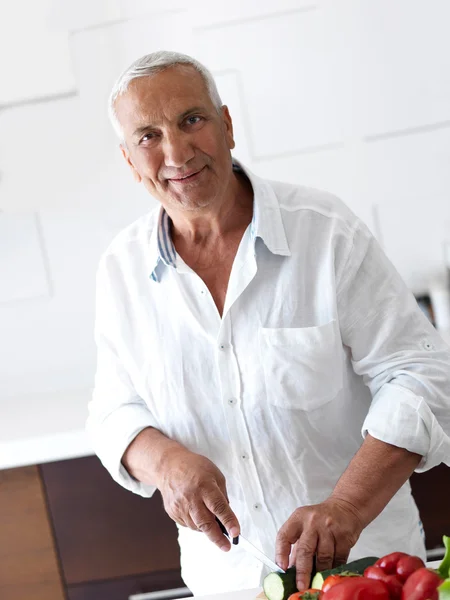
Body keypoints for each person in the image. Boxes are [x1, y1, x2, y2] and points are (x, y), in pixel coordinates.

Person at [87, 50, 450, 596]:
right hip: (227, 582)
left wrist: (347, 505)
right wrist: (166, 463)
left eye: (192, 120)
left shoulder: (325, 233)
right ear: (129, 160)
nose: (176, 152)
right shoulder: (122, 269)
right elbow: (113, 410)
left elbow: (421, 375)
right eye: (148, 136)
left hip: (367, 572)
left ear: (227, 124)